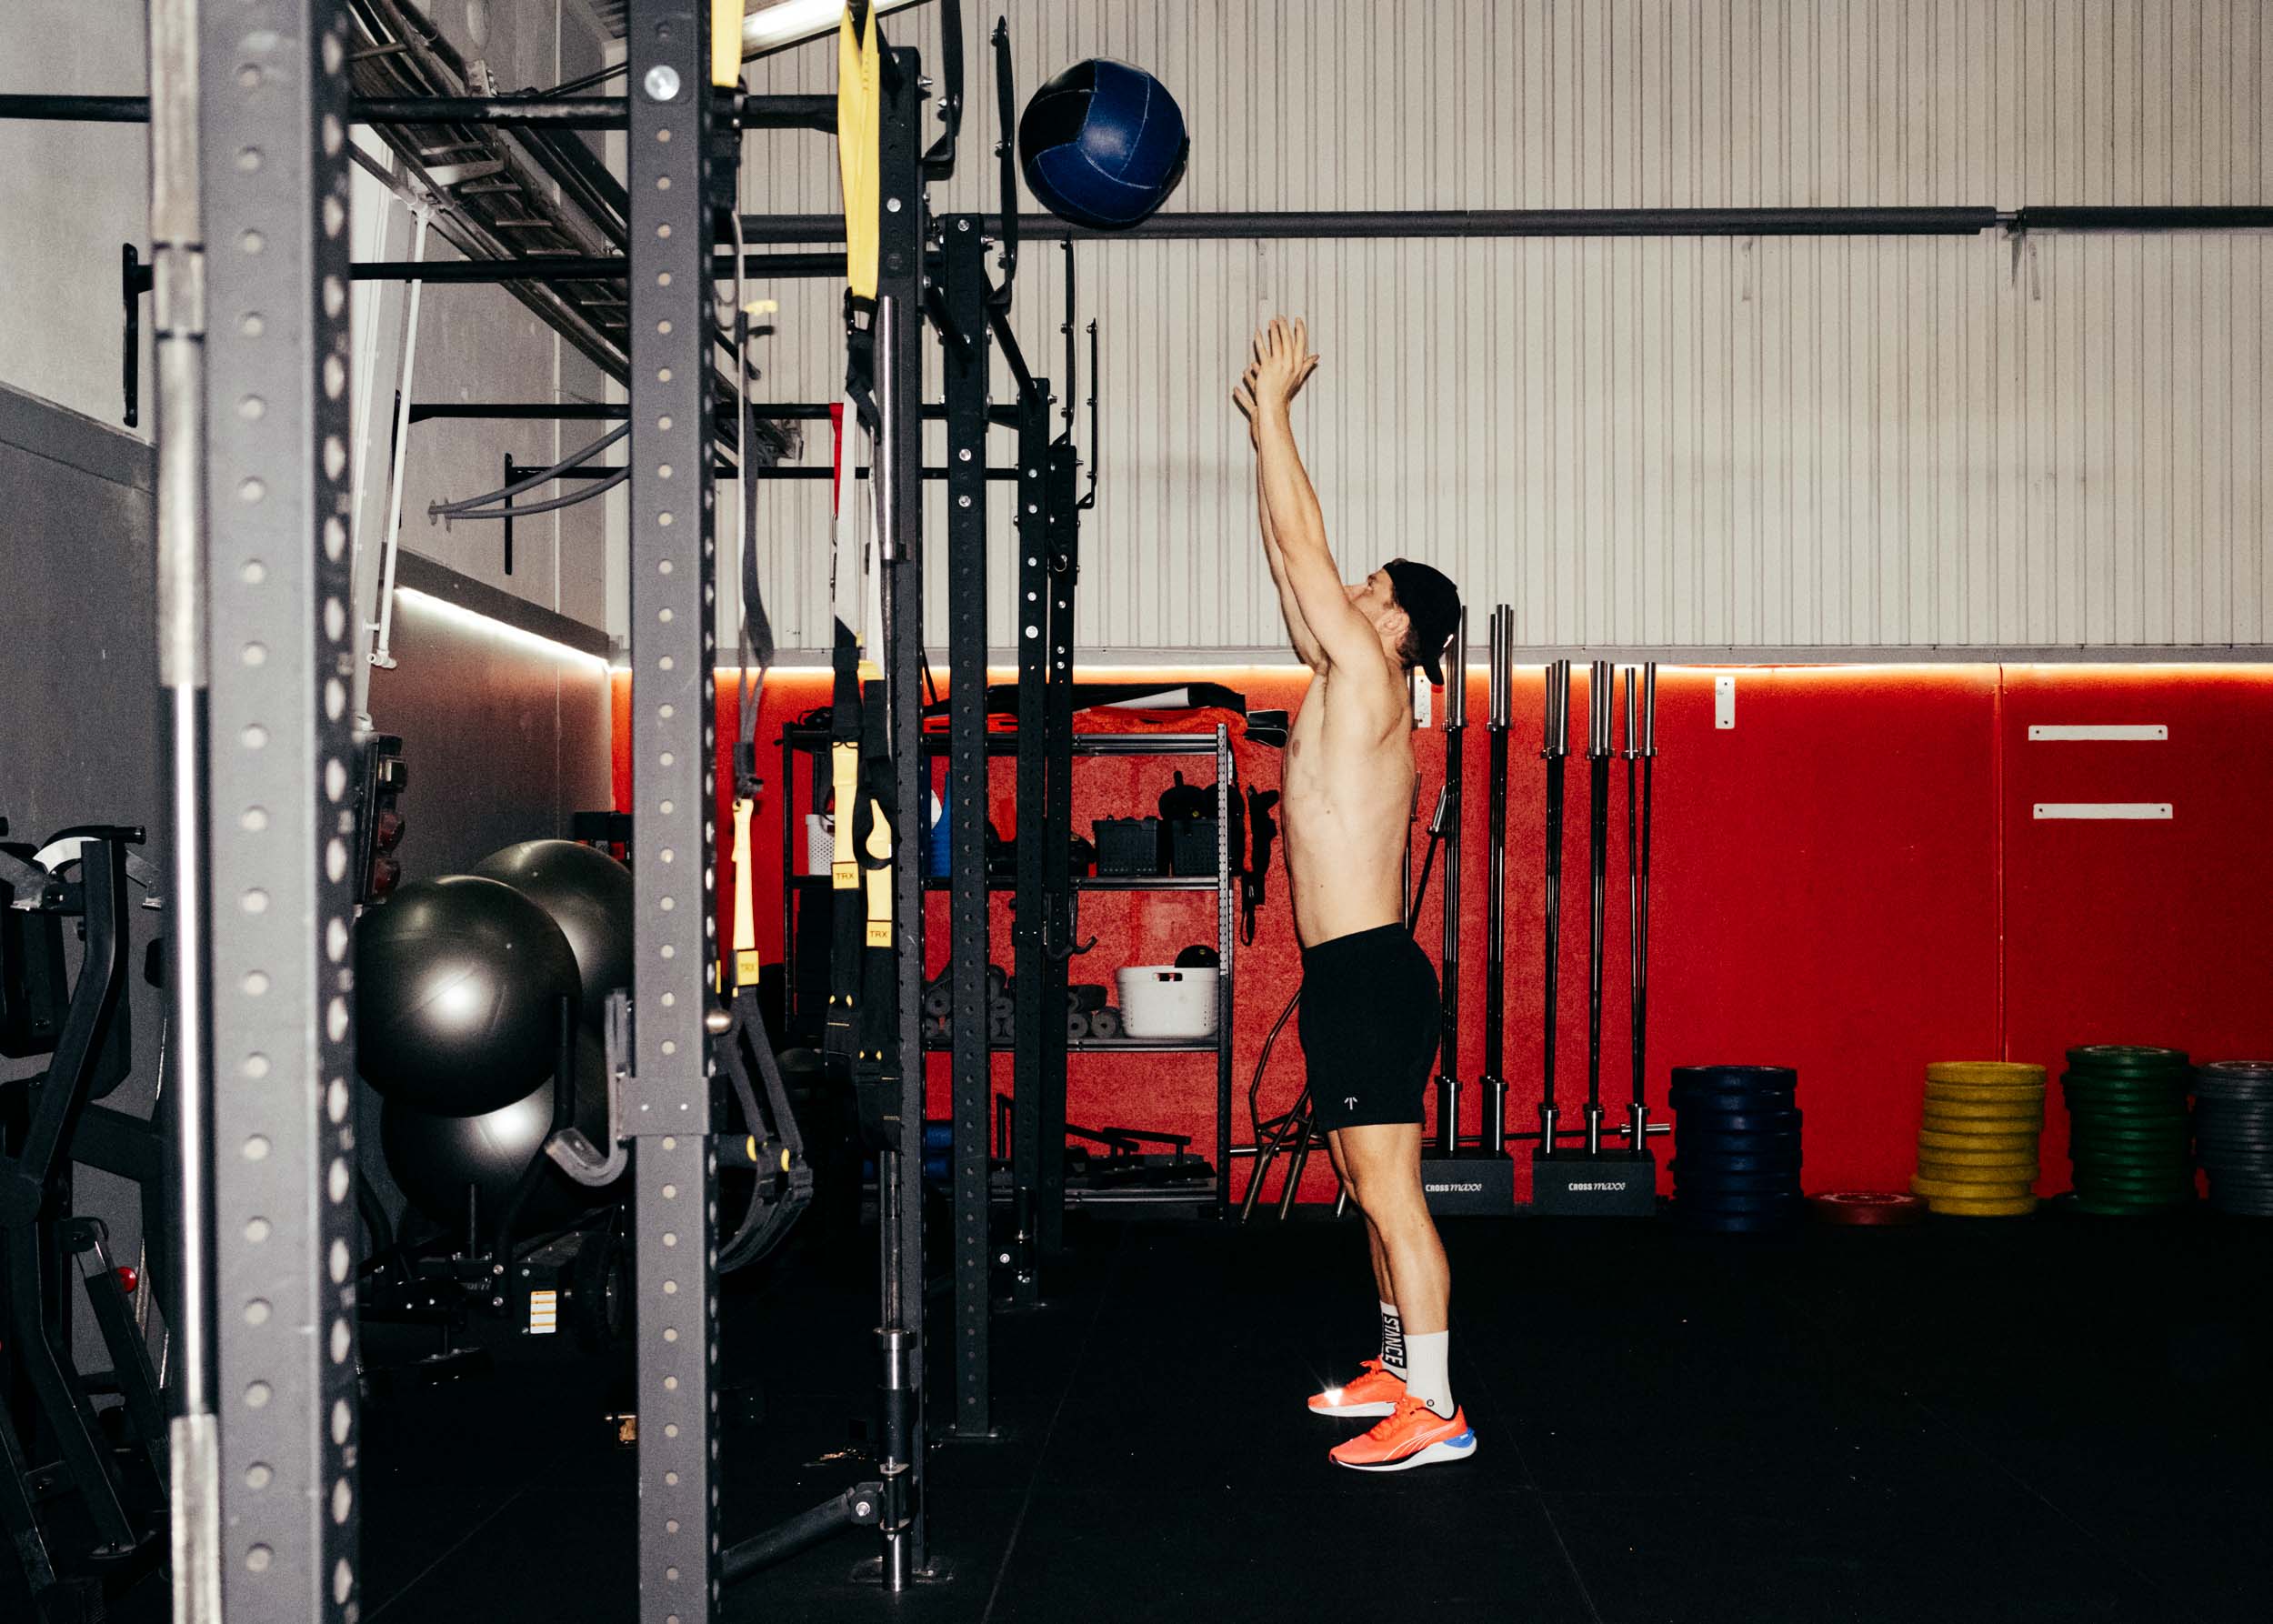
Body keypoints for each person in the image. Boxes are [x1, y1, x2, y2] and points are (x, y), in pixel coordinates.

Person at [1233, 317, 1473, 1473]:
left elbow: (1304, 543)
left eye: (1372, 587)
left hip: (1372, 973)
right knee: (1361, 1186)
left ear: (1400, 626)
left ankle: (1436, 1410)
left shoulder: (1374, 670)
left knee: (1391, 1193)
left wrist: (1276, 414)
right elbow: (1291, 562)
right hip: (1349, 975)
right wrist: (1260, 439)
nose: (1350, 590)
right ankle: (1392, 1363)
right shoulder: (1345, 670)